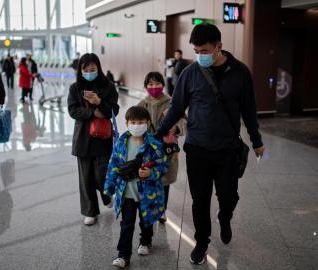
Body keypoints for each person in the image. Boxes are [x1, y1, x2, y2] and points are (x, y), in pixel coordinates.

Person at [156, 24, 265, 265]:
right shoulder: (190, 73)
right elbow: (176, 108)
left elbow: (248, 110)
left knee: (229, 196)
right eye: (196, 50)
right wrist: (158, 134)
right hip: (197, 148)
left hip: (227, 149)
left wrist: (256, 141)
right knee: (200, 199)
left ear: (219, 47)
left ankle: (224, 216)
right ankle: (202, 241)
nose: (200, 55)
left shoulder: (240, 72)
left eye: (204, 50)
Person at [104, 106, 168, 269]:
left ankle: (145, 241)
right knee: (127, 223)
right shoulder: (121, 143)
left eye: (141, 122)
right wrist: (109, 189)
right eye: (133, 122)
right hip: (127, 193)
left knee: (146, 220)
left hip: (148, 194)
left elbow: (163, 167)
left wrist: (150, 173)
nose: (137, 125)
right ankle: (123, 254)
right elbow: (113, 166)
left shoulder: (154, 145)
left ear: (147, 123)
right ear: (126, 123)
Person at [67, 53, 119, 226]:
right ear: (80, 70)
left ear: (98, 68)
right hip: (83, 138)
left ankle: (106, 195)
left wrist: (99, 102)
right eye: (86, 70)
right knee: (85, 178)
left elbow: (114, 109)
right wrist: (91, 112)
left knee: (101, 175)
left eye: (92, 69)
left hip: (102, 138)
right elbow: (73, 110)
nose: (89, 72)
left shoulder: (108, 86)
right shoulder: (75, 88)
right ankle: (90, 211)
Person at [137, 71, 186, 223]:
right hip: (148, 149)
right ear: (145, 86)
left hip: (166, 150)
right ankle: (152, 206)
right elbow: (134, 121)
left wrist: (177, 128)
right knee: (149, 178)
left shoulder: (172, 102)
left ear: (163, 85)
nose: (154, 87)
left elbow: (182, 120)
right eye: (150, 84)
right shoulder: (142, 104)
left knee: (164, 180)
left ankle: (162, 209)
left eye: (157, 83)